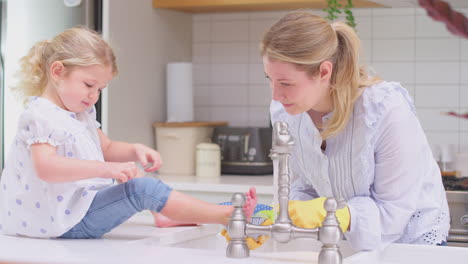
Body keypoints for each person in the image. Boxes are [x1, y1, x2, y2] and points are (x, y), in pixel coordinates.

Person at [0, 27, 257, 239]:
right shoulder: (40, 115)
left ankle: (165, 214)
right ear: (57, 72)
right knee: (143, 189)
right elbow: (47, 167)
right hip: (60, 221)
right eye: (89, 85)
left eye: (100, 89)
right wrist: (105, 170)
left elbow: (107, 149)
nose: (94, 96)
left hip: (74, 210)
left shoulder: (80, 114)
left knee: (140, 178)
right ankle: (229, 215)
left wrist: (135, 149)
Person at [262, 11, 450, 251]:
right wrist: (285, 215)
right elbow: (304, 184)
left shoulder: (384, 109)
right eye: (269, 79)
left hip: (411, 244)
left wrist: (336, 215)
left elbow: (393, 212)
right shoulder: (284, 111)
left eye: (286, 83)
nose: (275, 95)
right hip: (344, 241)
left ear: (323, 72)